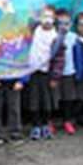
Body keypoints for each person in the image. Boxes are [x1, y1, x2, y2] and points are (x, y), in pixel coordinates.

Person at [24, 7, 63, 140]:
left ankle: (46, 125)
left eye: (50, 17)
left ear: (54, 19)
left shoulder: (56, 36)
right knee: (34, 101)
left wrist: (55, 76)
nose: (47, 20)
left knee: (47, 102)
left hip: (47, 73)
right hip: (33, 72)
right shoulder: (34, 30)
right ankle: (36, 126)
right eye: (44, 16)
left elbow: (59, 59)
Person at [58, 11, 83, 135]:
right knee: (70, 97)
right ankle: (67, 119)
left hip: (81, 72)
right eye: (81, 25)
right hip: (64, 73)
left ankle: (77, 118)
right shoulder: (58, 36)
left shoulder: (78, 39)